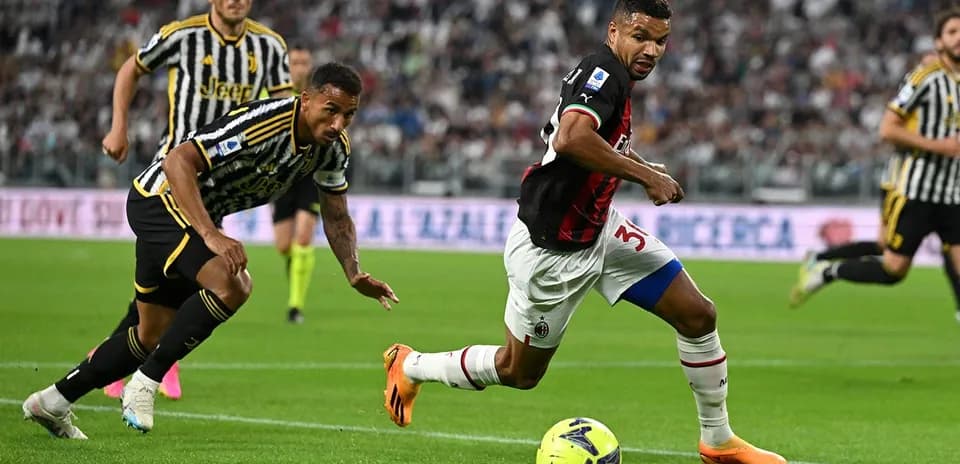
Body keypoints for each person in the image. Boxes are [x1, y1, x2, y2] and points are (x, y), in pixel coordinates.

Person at [380, 2, 786, 463]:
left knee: (697, 315)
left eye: (661, 40)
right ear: (613, 31)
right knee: (519, 371)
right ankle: (410, 365)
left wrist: (640, 165)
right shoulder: (603, 71)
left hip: (599, 231)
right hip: (552, 250)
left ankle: (717, 442)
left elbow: (592, 140)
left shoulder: (617, 78)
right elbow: (571, 138)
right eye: (640, 36)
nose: (651, 49)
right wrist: (645, 177)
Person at [23, 63, 397, 438]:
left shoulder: (332, 151)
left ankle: (52, 401)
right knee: (234, 284)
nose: (338, 124)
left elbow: (336, 214)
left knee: (149, 333)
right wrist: (210, 233)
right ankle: (146, 383)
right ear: (306, 100)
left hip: (188, 217)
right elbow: (178, 161)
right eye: (330, 110)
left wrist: (353, 271)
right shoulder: (265, 123)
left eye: (348, 115)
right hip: (160, 200)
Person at [98, 0, 293, 400]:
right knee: (192, 275)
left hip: (220, 187)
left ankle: (120, 357)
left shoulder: (270, 47)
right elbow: (131, 68)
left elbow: (283, 111)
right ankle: (150, 361)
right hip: (174, 180)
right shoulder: (182, 35)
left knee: (167, 281)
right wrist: (119, 126)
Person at [791, 8, 960, 318]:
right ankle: (826, 267)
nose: (959, 37)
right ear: (937, 42)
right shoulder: (926, 78)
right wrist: (941, 146)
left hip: (953, 193)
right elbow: (887, 128)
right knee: (893, 265)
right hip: (915, 189)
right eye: (952, 32)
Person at [269, 43, 320, 324]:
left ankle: (295, 306)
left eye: (304, 62)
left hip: (310, 175)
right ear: (287, 66)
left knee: (303, 237)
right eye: (295, 63)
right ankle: (296, 274)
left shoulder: (318, 96)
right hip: (280, 177)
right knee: (283, 245)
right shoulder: (273, 96)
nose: (300, 68)